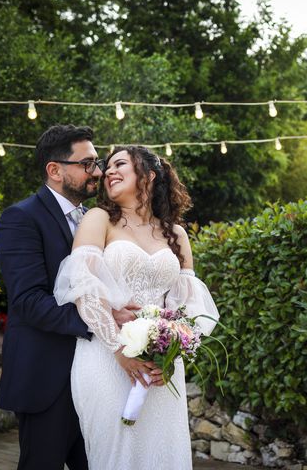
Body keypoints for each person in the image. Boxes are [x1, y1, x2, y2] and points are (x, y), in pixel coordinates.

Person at [53, 145, 219, 469]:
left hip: (159, 366)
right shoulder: (98, 219)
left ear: (149, 174)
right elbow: (84, 288)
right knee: (114, 452)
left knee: (162, 451)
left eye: (119, 165)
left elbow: (186, 304)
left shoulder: (177, 234)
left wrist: (170, 347)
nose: (108, 172)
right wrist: (119, 349)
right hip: (105, 354)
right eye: (107, 167)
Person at [0, 124, 101, 470]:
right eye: (87, 164)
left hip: (92, 377)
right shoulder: (21, 218)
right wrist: (100, 324)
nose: (97, 172)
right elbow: (29, 300)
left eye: (97, 163)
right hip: (45, 378)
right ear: (54, 170)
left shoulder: (94, 221)